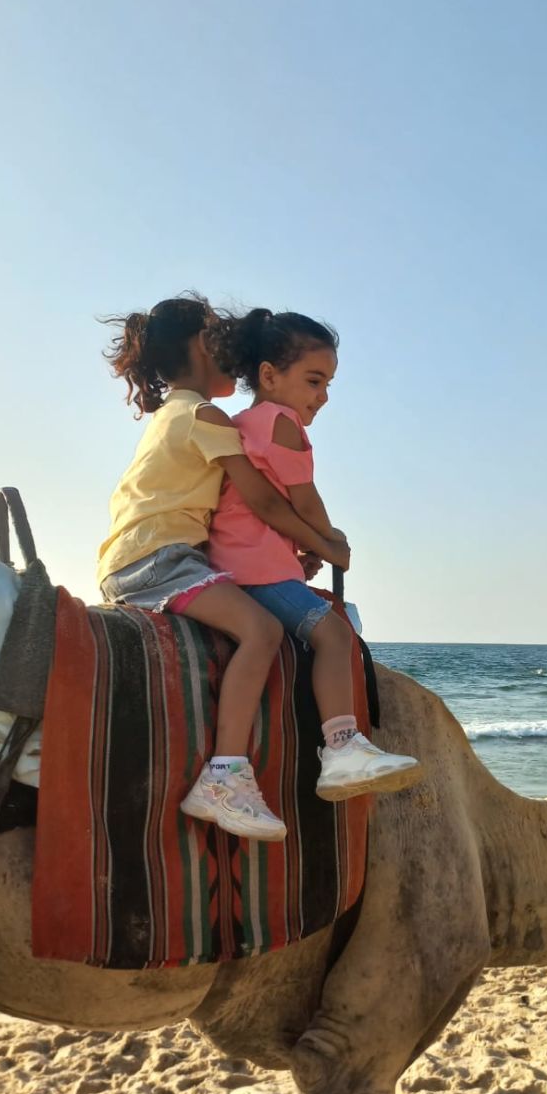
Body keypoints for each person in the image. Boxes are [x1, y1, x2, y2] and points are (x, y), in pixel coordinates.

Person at [98, 294, 348, 841]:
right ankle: (225, 775)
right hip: (161, 559)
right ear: (197, 348)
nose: (228, 348)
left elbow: (233, 514)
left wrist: (290, 552)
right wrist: (327, 545)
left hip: (145, 554)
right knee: (260, 630)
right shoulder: (205, 415)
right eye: (216, 338)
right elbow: (261, 499)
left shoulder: (176, 414)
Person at [207, 308, 421, 800]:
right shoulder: (284, 423)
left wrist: (300, 549)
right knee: (334, 636)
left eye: (328, 385)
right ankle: (343, 747)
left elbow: (260, 509)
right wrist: (333, 543)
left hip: (235, 562)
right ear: (268, 375)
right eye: (313, 380)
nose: (322, 397)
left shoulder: (244, 422)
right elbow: (305, 501)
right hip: (256, 571)